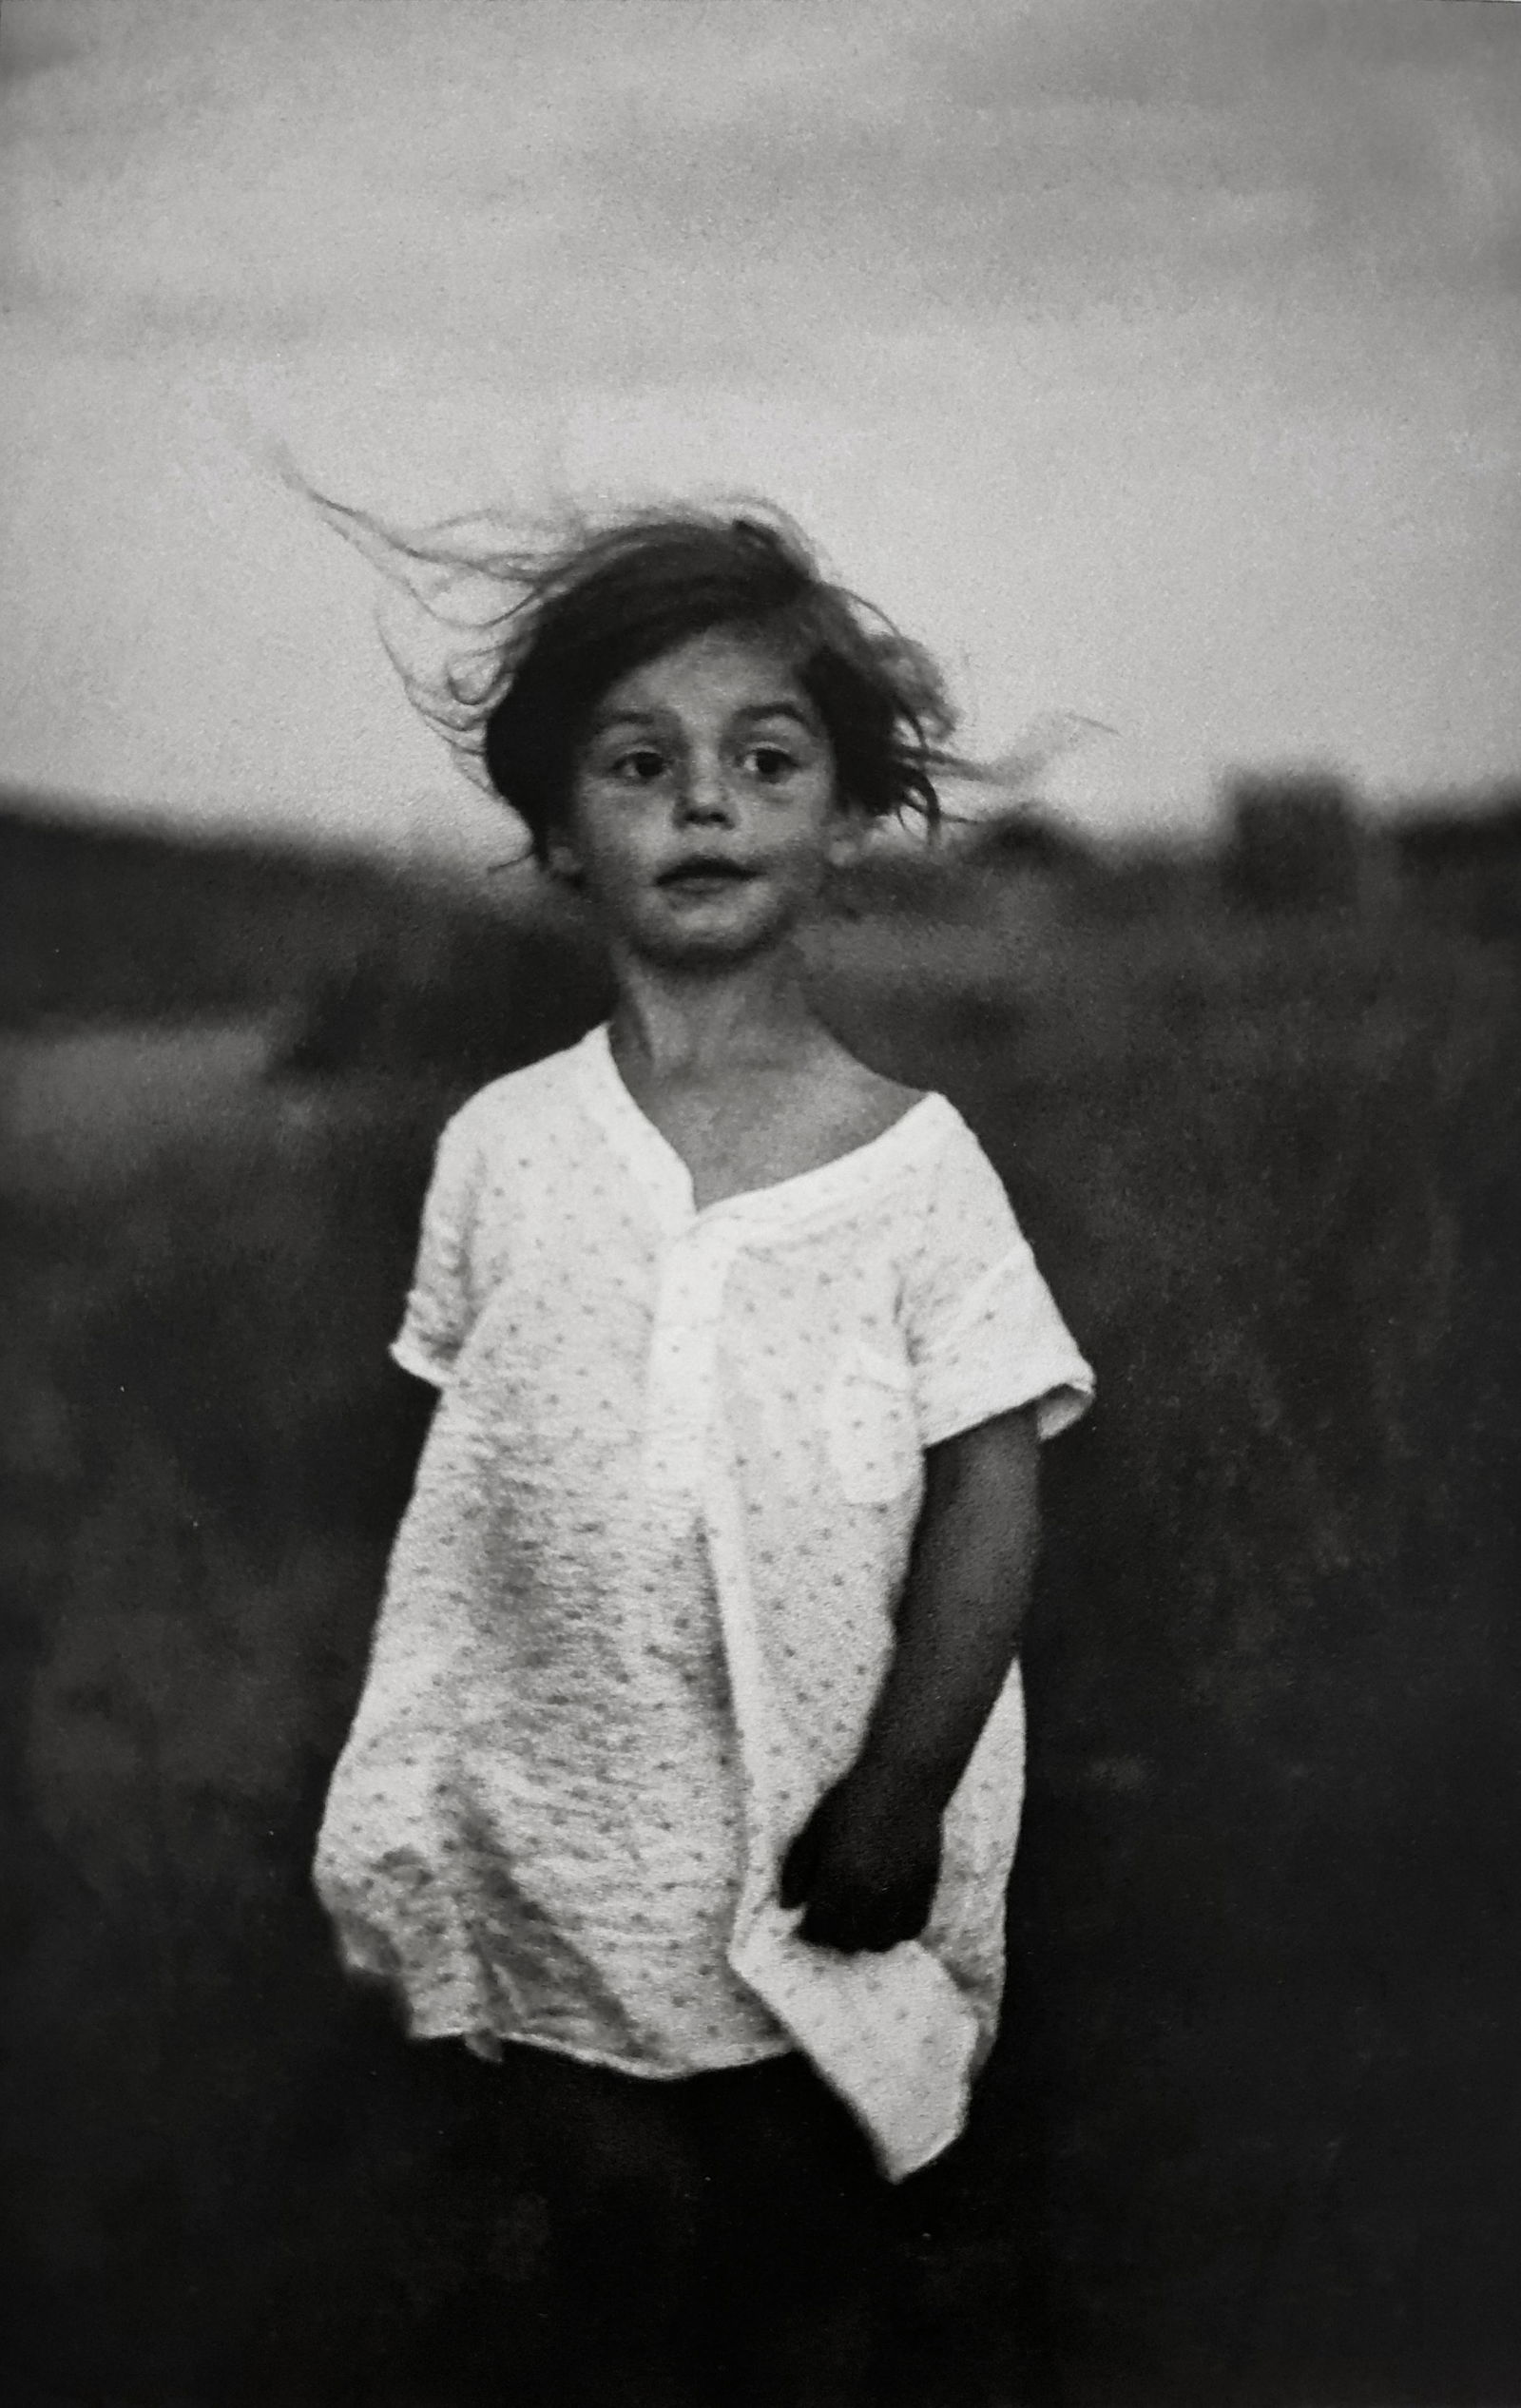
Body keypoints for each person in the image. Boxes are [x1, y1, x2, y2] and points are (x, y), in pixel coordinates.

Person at [311, 502, 1094, 2405]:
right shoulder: (500, 1145)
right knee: (603, 2245)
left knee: (797, 2252)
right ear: (559, 825)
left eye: (763, 759)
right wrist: (439, 1784)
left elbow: (994, 1484)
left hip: (824, 1830)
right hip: (574, 1834)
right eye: (640, 763)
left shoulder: (912, 1167)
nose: (706, 805)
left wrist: (899, 1791)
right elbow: (467, 1491)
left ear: (837, 818)